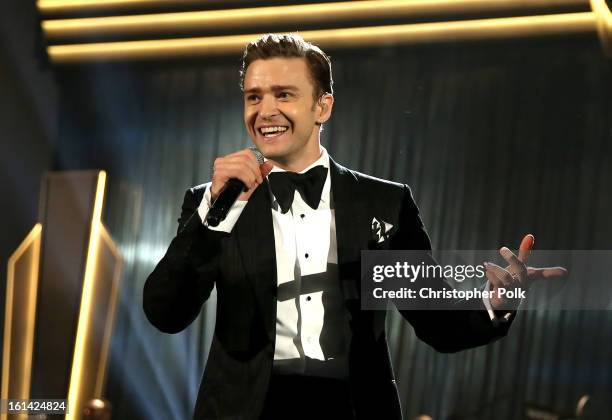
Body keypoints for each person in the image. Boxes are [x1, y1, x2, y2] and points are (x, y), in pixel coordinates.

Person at [143, 33, 566, 420]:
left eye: (283, 94)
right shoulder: (212, 202)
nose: (265, 110)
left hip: (354, 409)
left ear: (322, 105)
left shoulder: (384, 203)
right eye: (253, 97)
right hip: (243, 409)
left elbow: (438, 322)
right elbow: (166, 312)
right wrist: (214, 215)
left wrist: (498, 302)